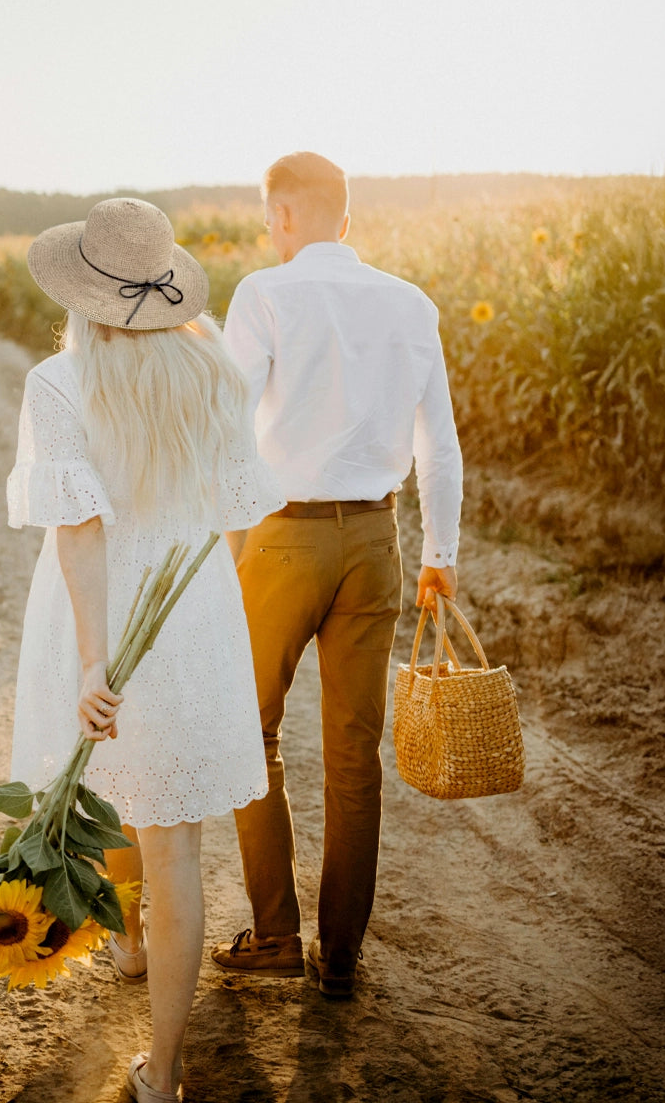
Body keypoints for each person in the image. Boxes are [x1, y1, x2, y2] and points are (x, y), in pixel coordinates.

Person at [6, 197, 284, 1101]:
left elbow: (78, 531)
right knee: (177, 850)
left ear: (84, 292)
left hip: (102, 611)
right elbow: (236, 527)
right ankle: (161, 1076)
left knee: (112, 792)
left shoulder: (58, 384)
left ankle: (126, 948)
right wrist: (202, 612)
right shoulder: (216, 373)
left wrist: (95, 662)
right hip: (194, 616)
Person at [211, 151, 463, 998]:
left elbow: (228, 426)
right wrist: (441, 558)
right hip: (378, 542)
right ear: (344, 220)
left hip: (286, 538)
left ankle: (277, 933)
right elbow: (442, 445)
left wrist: (228, 536)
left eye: (268, 217)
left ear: (282, 217)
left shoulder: (264, 294)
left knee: (251, 736)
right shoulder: (411, 303)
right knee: (356, 756)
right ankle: (343, 956)